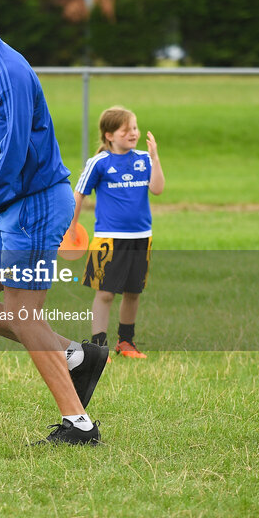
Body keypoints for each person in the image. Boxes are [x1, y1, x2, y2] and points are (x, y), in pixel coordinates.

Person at [0, 0, 109, 446]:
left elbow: (12, 154)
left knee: (22, 310)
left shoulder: (8, 71)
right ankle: (77, 356)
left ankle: (79, 424)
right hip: (8, 204)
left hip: (36, 202)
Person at [71, 106, 164, 359]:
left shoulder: (144, 159)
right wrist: (71, 228)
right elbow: (78, 195)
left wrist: (155, 157)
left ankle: (126, 343)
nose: (133, 133)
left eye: (135, 128)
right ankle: (99, 347)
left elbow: (157, 189)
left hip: (141, 237)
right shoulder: (99, 162)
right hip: (108, 239)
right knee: (105, 293)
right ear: (109, 135)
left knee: (133, 292)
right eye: (126, 130)